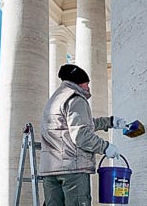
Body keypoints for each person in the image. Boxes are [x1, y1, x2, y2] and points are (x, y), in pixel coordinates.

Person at [39, 64, 128, 206]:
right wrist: (105, 147)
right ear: (80, 82)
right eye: (87, 83)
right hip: (72, 170)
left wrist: (110, 122)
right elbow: (81, 135)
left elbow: (76, 125)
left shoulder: (56, 99)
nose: (89, 87)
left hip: (50, 170)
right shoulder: (76, 99)